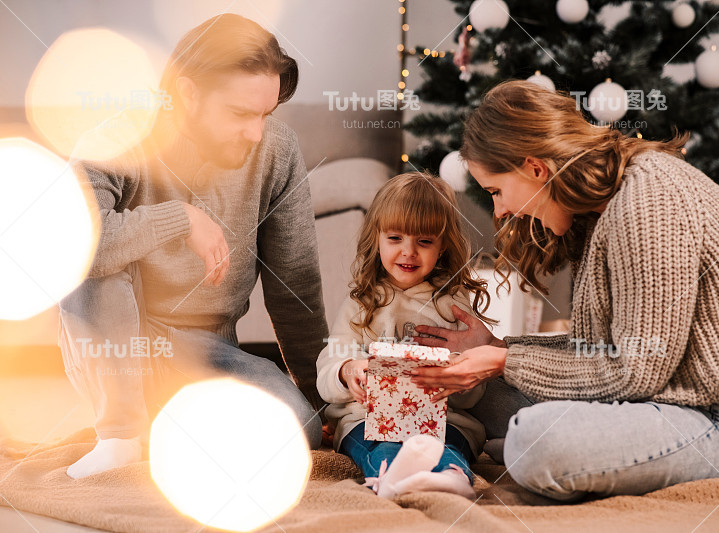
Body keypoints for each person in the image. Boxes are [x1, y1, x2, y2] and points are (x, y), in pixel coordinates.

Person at [410, 80, 719, 501]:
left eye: (496, 191)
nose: (501, 210)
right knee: (475, 394)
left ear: (535, 168)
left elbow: (633, 372)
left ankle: (555, 451)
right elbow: (601, 350)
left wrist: (504, 361)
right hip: (655, 399)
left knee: (535, 443)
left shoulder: (648, 202)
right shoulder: (599, 210)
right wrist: (497, 347)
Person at [58, 14, 326, 479]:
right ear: (187, 94)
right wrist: (180, 218)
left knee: (302, 428)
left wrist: (322, 398)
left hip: (206, 352)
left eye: (266, 114)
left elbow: (294, 284)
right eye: (241, 114)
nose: (256, 133)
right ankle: (120, 433)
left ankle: (167, 426)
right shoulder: (116, 139)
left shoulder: (277, 151)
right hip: (119, 344)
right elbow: (75, 250)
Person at [316, 172, 492, 498]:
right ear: (377, 239)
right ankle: (390, 477)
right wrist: (347, 371)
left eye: (424, 242)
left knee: (446, 444)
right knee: (379, 445)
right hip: (366, 416)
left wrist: (454, 375)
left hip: (441, 420)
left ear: (442, 247)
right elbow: (328, 369)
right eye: (395, 238)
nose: (408, 252)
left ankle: (450, 475)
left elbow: (472, 394)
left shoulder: (452, 304)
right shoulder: (361, 302)